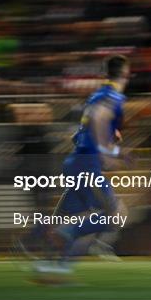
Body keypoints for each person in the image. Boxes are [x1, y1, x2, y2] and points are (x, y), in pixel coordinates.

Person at [14, 54, 132, 274]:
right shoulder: (113, 96)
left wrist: (106, 144)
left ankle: (53, 263)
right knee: (114, 215)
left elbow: (77, 136)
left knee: (76, 218)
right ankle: (63, 235)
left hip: (77, 162)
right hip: (86, 165)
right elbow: (98, 119)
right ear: (126, 73)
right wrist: (111, 150)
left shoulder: (96, 95)